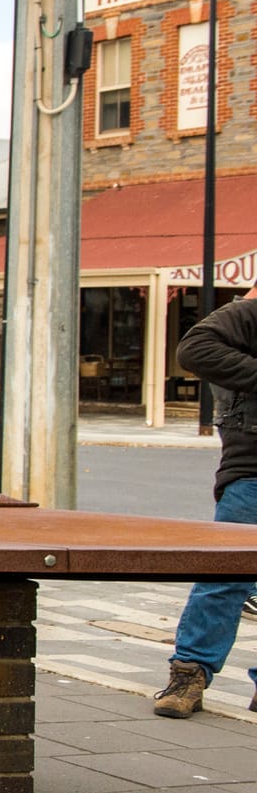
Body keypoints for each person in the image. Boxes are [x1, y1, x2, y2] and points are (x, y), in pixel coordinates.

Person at [154, 280, 257, 718]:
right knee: (225, 574)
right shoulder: (248, 313)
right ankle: (189, 677)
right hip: (252, 470)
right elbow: (194, 349)